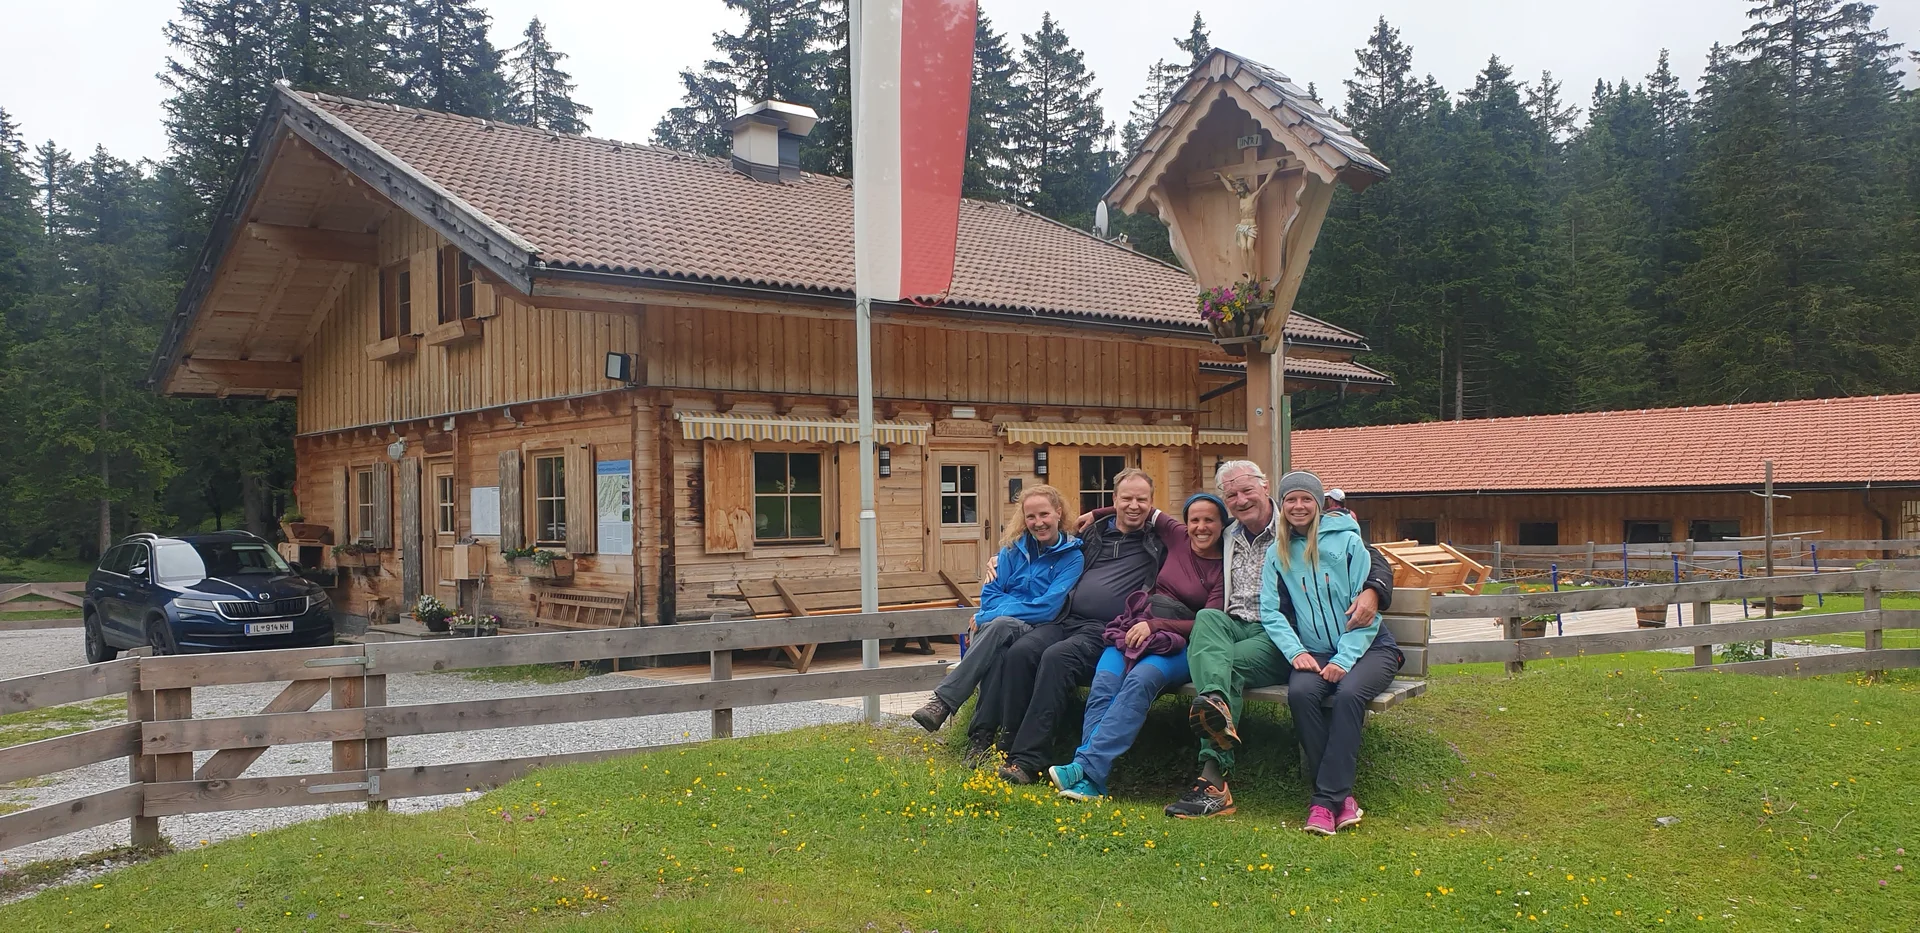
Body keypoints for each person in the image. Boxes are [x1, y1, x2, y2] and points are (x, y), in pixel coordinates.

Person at [1165, 461, 1396, 821]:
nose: (1241, 500)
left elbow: (1371, 558)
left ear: (1265, 487)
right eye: (1232, 495)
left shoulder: (1300, 526)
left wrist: (1374, 590)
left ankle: (1213, 780)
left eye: (1247, 491)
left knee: (1221, 669)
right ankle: (1214, 703)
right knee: (1207, 619)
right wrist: (1100, 512)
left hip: (1278, 637)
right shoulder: (1227, 532)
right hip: (1234, 625)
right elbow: (1155, 520)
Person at [986, 469, 1168, 784]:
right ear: (1115, 499)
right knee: (1021, 652)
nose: (1134, 505)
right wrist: (1000, 559)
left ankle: (1028, 760)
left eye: (1142, 499)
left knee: (1057, 658)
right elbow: (1045, 544)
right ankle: (1007, 745)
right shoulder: (1091, 532)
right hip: (1067, 618)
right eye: (1126, 498)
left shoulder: (1159, 542)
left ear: (1153, 503)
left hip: (1108, 630)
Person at [1046, 492, 1227, 801]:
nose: (1201, 527)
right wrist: (1098, 513)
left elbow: (1205, 623)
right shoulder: (1177, 535)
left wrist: (1156, 626)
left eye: (1209, 520)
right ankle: (1092, 781)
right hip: (1138, 627)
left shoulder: (1224, 567)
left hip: (1183, 644)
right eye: (1194, 519)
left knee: (1139, 681)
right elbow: (1143, 508)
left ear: (1223, 524)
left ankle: (1083, 767)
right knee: (1104, 682)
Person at [911, 485, 1083, 766]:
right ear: (1023, 518)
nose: (1038, 523)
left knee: (999, 624)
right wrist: (993, 612)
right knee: (998, 656)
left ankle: (943, 702)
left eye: (1044, 514)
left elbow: (1048, 606)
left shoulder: (1072, 557)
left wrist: (992, 614)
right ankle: (982, 739)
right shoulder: (1011, 551)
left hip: (1038, 629)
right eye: (1031, 516)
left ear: (1058, 513)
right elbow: (989, 593)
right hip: (1002, 632)